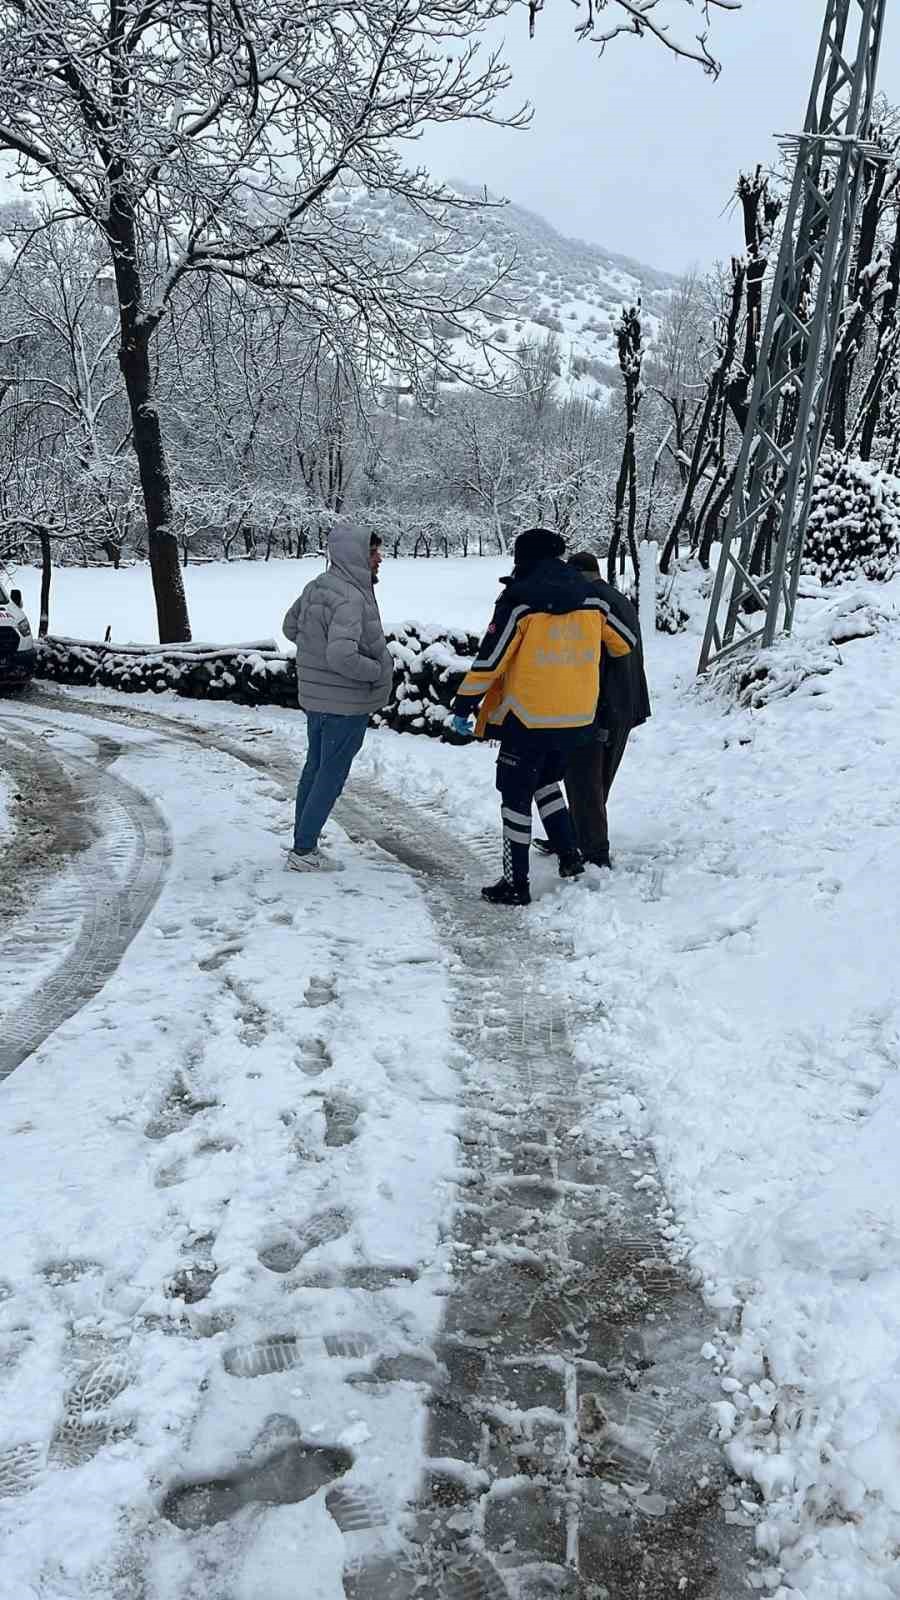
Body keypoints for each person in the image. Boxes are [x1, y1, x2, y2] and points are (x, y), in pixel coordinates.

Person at [450, 528, 635, 907]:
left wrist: (464, 704)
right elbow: (624, 642)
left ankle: (516, 883)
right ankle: (570, 857)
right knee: (547, 781)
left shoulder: (519, 602)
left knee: (514, 794)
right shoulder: (593, 600)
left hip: (530, 718)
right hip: (579, 719)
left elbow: (491, 660)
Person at [282, 521, 393, 871]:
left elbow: (290, 626)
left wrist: (315, 657)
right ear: (356, 554)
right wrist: (376, 671)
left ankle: (303, 844)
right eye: (373, 552)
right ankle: (303, 852)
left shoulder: (319, 585)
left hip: (318, 700)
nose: (379, 559)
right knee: (330, 776)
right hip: (345, 703)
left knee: (315, 769)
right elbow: (341, 656)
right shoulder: (349, 597)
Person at [534, 551, 651, 868]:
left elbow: (592, 658)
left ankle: (595, 853)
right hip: (627, 703)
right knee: (598, 779)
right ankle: (574, 835)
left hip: (598, 705)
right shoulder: (618, 598)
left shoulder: (587, 601)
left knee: (584, 780)